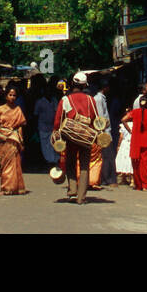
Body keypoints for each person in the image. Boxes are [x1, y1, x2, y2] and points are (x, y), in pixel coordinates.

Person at [53, 72, 100, 205]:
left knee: (70, 162)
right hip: (86, 136)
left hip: (70, 136)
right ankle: (81, 197)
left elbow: (58, 120)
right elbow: (96, 119)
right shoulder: (91, 100)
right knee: (85, 165)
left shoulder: (65, 100)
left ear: (72, 83)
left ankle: (72, 191)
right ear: (85, 85)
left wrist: (56, 133)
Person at [0, 85, 27, 195]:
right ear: (6, 95)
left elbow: (21, 125)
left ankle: (12, 187)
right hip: (2, 138)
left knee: (14, 163)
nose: (12, 97)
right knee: (4, 164)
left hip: (14, 138)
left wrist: (21, 139)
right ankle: (4, 187)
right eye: (10, 95)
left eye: (14, 95)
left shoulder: (18, 110)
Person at [94, 78, 116, 186]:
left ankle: (106, 178)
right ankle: (106, 179)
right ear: (105, 88)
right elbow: (100, 118)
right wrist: (102, 132)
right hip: (103, 133)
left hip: (106, 131)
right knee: (107, 156)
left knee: (108, 156)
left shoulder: (102, 98)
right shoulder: (98, 99)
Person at [34, 84, 59, 168]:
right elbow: (36, 114)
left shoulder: (54, 100)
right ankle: (49, 160)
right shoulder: (40, 101)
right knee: (45, 145)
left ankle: (54, 160)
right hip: (43, 127)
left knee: (53, 143)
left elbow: (57, 112)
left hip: (53, 126)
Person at [115, 115, 133, 185]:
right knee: (130, 160)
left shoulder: (123, 125)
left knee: (123, 159)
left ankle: (123, 177)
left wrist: (118, 145)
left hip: (124, 143)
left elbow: (121, 136)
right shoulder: (135, 125)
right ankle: (132, 180)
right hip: (131, 143)